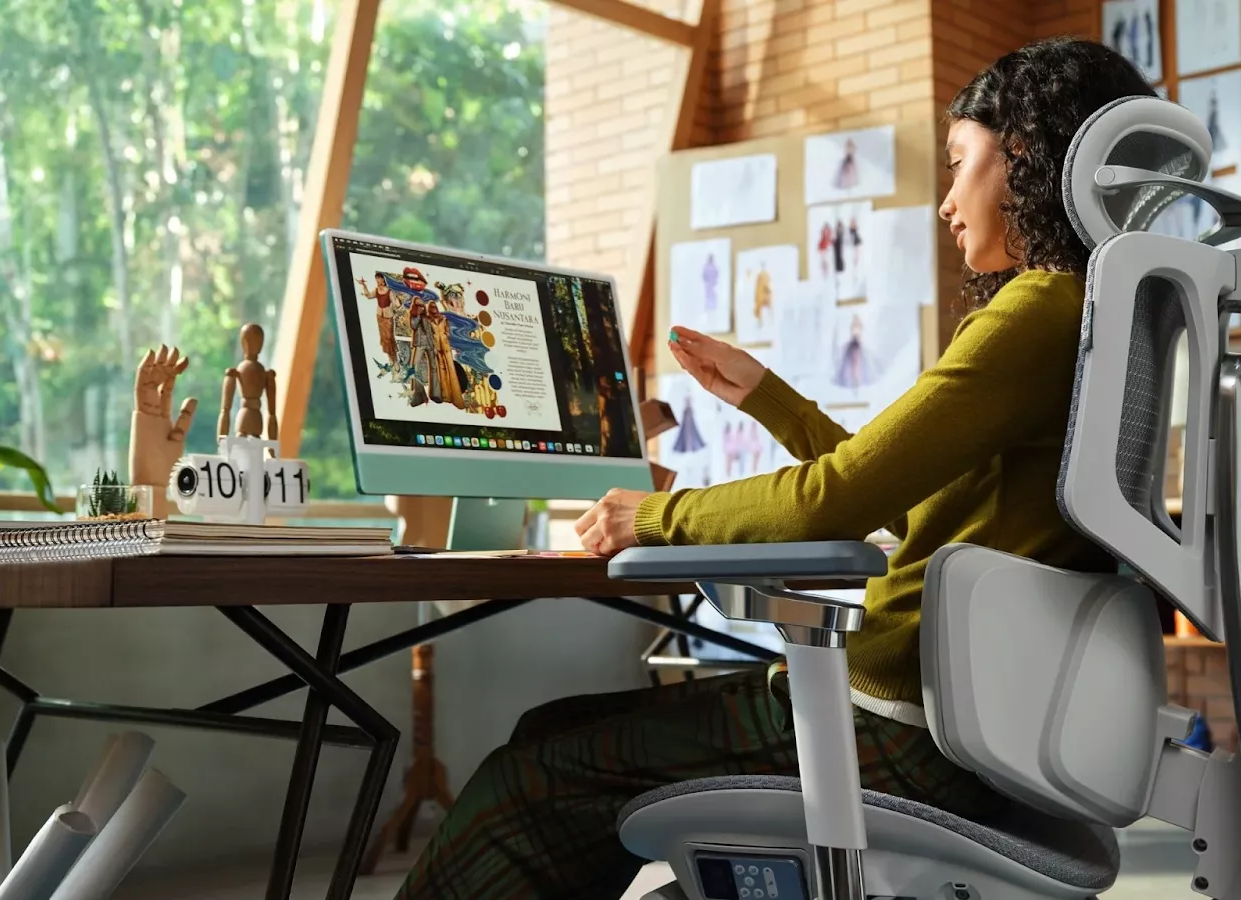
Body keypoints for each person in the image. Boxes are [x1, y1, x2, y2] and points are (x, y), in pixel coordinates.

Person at [396, 37, 1147, 900]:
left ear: (1024, 154)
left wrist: (650, 518)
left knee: (526, 775)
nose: (945, 201)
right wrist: (770, 399)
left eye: (957, 163)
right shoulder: (1093, 316)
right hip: (969, 728)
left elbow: (832, 503)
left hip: (892, 733)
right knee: (550, 733)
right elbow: (913, 508)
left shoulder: (1033, 313)